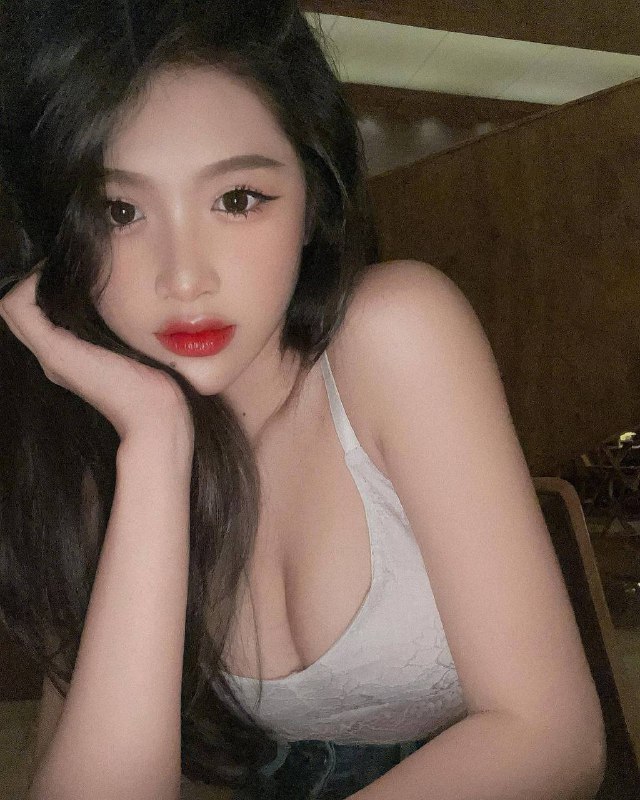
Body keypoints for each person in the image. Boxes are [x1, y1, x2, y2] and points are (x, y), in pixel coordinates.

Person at [0, 2, 605, 799]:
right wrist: (153, 444)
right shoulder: (100, 437)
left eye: (238, 199)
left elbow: (553, 738)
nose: (184, 278)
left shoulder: (393, 332)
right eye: (120, 211)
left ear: (315, 198)